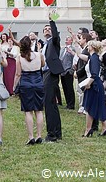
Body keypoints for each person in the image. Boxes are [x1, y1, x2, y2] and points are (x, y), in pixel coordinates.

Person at [13, 35, 45, 145]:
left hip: (26, 84)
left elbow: (18, 74)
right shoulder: (38, 55)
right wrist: (39, 52)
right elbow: (43, 65)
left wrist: (14, 87)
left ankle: (31, 136)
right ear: (31, 44)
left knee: (28, 111)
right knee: (39, 110)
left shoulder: (19, 58)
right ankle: (39, 135)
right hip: (38, 82)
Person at [42, 14, 65, 142]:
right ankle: (57, 132)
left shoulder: (54, 41)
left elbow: (55, 35)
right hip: (45, 73)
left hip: (51, 73)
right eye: (45, 29)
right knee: (51, 104)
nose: (47, 30)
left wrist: (51, 21)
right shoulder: (45, 44)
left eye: (49, 29)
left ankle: (51, 134)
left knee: (49, 105)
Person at [81, 40, 106, 137]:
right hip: (95, 83)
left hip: (94, 85)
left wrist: (88, 84)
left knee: (89, 107)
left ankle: (88, 129)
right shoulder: (92, 57)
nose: (87, 47)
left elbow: (94, 73)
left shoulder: (94, 58)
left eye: (88, 46)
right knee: (99, 105)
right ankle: (105, 127)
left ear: (92, 47)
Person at [59, 35, 76, 110]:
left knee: (69, 88)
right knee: (64, 87)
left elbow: (76, 58)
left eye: (68, 39)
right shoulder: (62, 49)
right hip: (62, 71)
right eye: (66, 39)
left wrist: (71, 52)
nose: (66, 40)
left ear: (71, 41)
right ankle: (67, 102)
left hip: (69, 70)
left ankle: (71, 104)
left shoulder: (73, 49)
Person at [1, 31, 19, 96]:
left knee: (12, 76)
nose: (10, 42)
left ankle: (12, 90)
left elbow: (15, 55)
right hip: (7, 61)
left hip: (12, 62)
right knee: (6, 76)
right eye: (9, 41)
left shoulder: (15, 47)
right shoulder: (6, 47)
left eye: (11, 41)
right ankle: (7, 90)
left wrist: (8, 53)